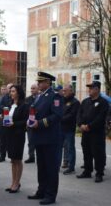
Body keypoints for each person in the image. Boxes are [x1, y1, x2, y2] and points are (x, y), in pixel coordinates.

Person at [27, 72, 63, 205]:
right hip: (39, 137)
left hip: (50, 138)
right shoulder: (40, 96)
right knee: (41, 167)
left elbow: (57, 115)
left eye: (41, 82)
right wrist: (30, 121)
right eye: (38, 82)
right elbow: (35, 112)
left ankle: (50, 195)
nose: (38, 84)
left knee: (51, 167)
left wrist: (40, 123)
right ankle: (41, 190)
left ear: (48, 82)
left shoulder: (55, 96)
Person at [76, 81, 109, 183]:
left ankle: (99, 173)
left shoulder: (103, 102)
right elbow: (79, 114)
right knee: (87, 152)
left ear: (97, 89)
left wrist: (89, 126)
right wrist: (80, 124)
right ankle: (87, 170)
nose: (89, 90)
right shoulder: (85, 101)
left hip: (97, 133)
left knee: (98, 153)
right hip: (86, 132)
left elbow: (100, 118)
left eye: (91, 88)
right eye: (89, 88)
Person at [3, 85, 28, 193]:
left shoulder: (24, 105)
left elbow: (25, 121)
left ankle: (17, 183)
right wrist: (3, 118)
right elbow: (8, 117)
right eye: (11, 91)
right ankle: (13, 182)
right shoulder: (10, 104)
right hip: (9, 134)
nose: (11, 93)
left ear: (18, 93)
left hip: (18, 135)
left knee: (17, 159)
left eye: (13, 91)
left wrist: (14, 123)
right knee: (12, 160)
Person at [61, 84, 80, 175]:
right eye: (63, 90)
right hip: (60, 128)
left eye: (65, 90)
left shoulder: (75, 102)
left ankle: (71, 166)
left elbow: (72, 115)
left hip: (69, 128)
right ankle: (61, 163)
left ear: (71, 91)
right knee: (58, 148)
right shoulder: (62, 100)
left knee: (70, 147)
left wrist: (60, 118)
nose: (63, 92)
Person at [0, 83, 13, 162]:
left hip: (12, 121)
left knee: (11, 140)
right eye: (8, 88)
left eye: (11, 88)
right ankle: (2, 156)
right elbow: (0, 106)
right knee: (2, 139)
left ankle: (11, 156)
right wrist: (3, 110)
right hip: (4, 120)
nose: (9, 90)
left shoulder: (15, 97)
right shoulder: (4, 97)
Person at [24, 84, 39, 163]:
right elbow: (26, 111)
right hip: (29, 123)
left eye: (34, 88)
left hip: (38, 123)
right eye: (31, 88)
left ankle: (40, 157)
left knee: (39, 141)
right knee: (30, 141)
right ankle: (31, 156)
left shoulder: (40, 98)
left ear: (38, 89)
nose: (32, 90)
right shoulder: (27, 99)